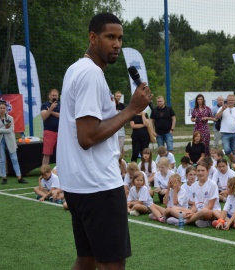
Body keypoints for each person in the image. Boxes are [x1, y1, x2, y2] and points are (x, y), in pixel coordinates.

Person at [56, 12, 153, 269]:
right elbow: (87, 136)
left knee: (87, 260)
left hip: (79, 183)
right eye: (110, 37)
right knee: (112, 264)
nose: (117, 44)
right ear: (93, 37)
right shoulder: (91, 74)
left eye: (120, 38)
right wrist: (131, 109)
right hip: (97, 184)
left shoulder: (76, 69)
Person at [0, 101, 27, 185]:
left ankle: (19, 177)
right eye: (1, 108)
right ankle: (4, 177)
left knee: (14, 158)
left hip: (10, 140)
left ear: (6, 109)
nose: (2, 109)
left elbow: (10, 130)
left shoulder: (10, 118)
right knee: (2, 159)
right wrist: (4, 128)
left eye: (4, 108)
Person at [215, 94, 235, 164]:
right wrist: (222, 109)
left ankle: (230, 166)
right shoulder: (222, 108)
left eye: (232, 100)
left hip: (234, 133)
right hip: (225, 133)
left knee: (233, 152)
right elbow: (216, 117)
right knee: (227, 150)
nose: (231, 102)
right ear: (227, 101)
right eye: (229, 100)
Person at [40, 89, 60, 165]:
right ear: (49, 96)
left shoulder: (61, 105)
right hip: (49, 132)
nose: (54, 97)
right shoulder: (45, 105)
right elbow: (44, 117)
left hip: (60, 132)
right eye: (52, 95)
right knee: (47, 153)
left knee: (61, 153)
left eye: (55, 95)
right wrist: (51, 108)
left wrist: (51, 112)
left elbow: (62, 116)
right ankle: (44, 172)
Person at [114, 91, 126, 157]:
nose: (118, 97)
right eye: (117, 96)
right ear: (114, 96)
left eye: (119, 96)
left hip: (121, 129)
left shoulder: (122, 105)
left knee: (120, 147)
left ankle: (121, 159)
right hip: (113, 129)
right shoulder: (112, 105)